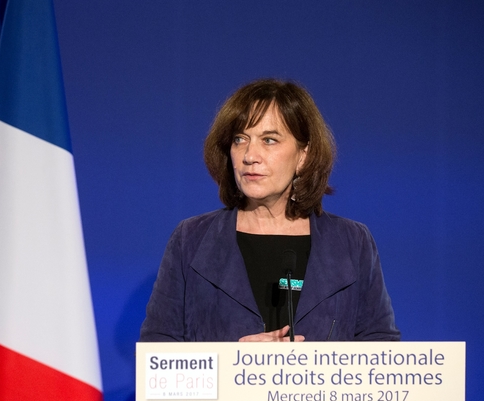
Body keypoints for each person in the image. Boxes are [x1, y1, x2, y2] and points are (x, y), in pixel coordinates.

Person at [139, 79, 399, 343]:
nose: (250, 155)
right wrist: (231, 362)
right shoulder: (191, 239)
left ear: (303, 156)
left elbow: (381, 346)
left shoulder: (351, 242)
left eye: (269, 140)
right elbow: (157, 352)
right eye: (240, 139)